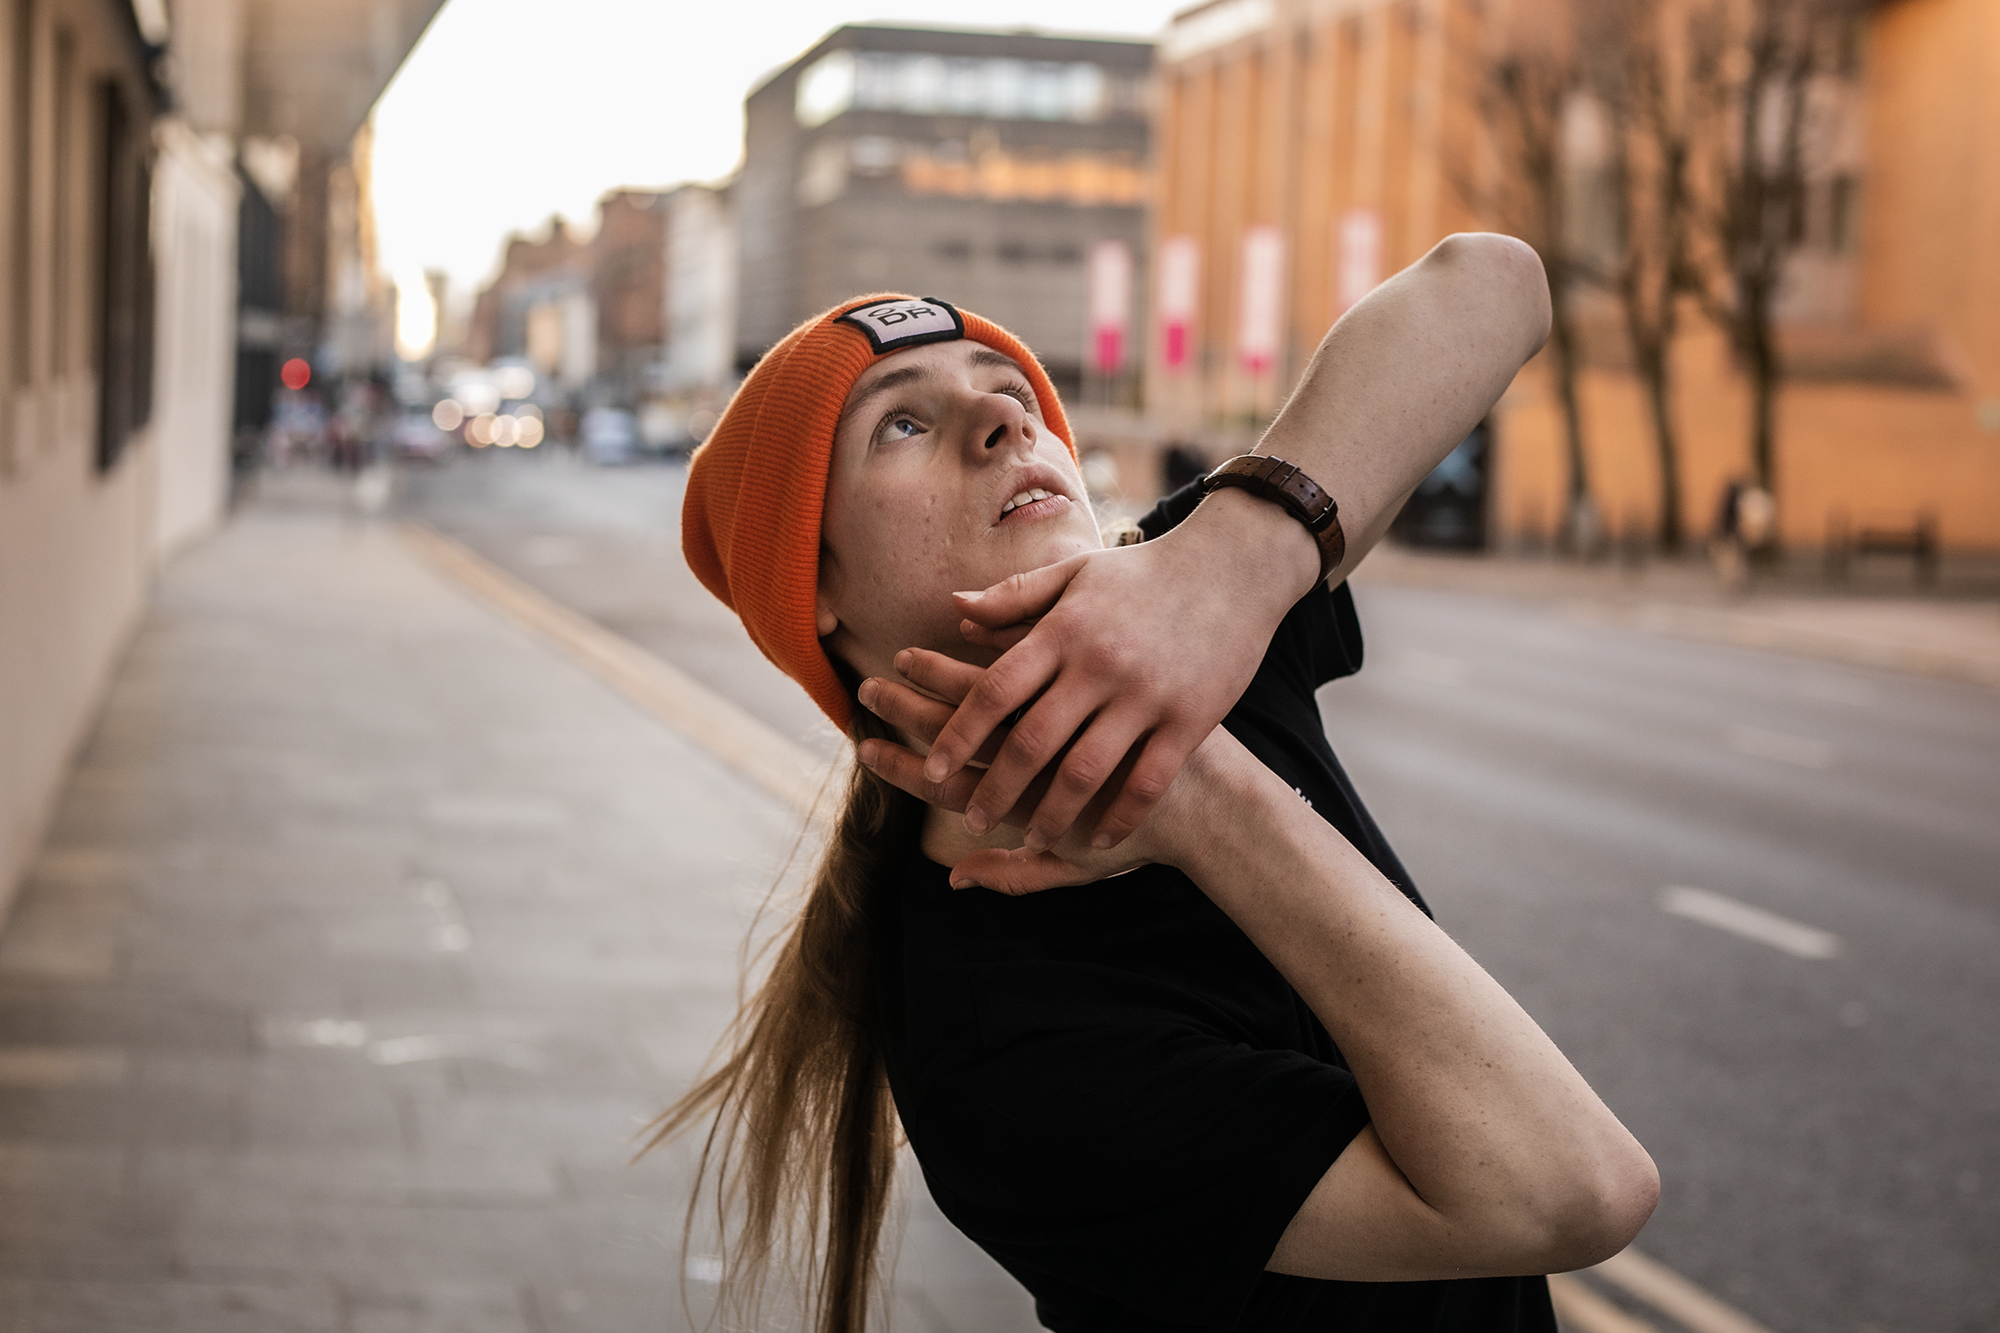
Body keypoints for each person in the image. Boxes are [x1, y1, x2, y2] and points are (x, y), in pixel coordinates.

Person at [659, 236, 1659, 1333]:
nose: (1005, 420)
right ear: (817, 592)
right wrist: (1193, 794)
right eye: (901, 421)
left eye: (1007, 392)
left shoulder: (1190, 622)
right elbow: (1569, 1189)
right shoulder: (1000, 1048)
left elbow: (1492, 283)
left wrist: (1237, 553)